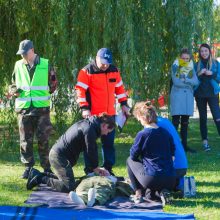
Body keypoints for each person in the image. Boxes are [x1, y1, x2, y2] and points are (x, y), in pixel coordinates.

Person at [75, 48, 130, 175]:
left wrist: (124, 104)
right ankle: (90, 170)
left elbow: (120, 89)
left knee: (109, 144)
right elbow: (80, 91)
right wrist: (84, 108)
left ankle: (108, 168)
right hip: (93, 116)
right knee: (90, 144)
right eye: (103, 62)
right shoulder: (86, 71)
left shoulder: (114, 70)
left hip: (109, 114)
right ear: (96, 58)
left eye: (108, 62)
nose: (105, 65)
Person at [26, 115, 115, 193]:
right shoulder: (90, 130)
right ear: (104, 125)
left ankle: (37, 174)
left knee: (67, 180)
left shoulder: (90, 125)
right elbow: (90, 150)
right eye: (108, 131)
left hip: (58, 155)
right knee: (69, 186)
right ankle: (39, 178)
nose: (107, 134)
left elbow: (92, 149)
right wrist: (95, 168)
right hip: (58, 156)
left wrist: (95, 167)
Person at [8, 40, 57, 179]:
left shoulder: (46, 64)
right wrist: (13, 90)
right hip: (23, 109)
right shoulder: (18, 65)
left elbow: (53, 84)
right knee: (25, 140)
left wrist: (44, 92)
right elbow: (12, 83)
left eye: (25, 53)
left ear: (32, 50)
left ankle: (46, 168)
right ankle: (28, 168)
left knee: (44, 139)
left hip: (41, 109)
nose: (23, 55)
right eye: (21, 53)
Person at [127, 102, 176, 206]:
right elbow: (173, 153)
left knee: (129, 160)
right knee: (149, 195)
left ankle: (138, 193)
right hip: (170, 178)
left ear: (141, 117)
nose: (139, 120)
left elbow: (133, 156)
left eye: (138, 118)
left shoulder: (142, 134)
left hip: (152, 178)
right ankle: (162, 193)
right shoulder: (165, 132)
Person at [170, 48, 199, 153]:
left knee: (185, 123)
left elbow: (196, 81)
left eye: (187, 58)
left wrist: (187, 80)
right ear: (179, 57)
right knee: (175, 122)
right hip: (177, 97)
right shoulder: (175, 66)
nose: (185, 60)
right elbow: (176, 82)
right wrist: (189, 84)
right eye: (183, 58)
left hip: (187, 99)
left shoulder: (191, 68)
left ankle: (184, 146)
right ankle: (171, 146)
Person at [194, 43, 220, 151]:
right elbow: (193, 81)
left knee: (217, 117)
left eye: (206, 51)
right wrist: (199, 74)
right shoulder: (196, 65)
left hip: (212, 94)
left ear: (209, 51)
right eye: (202, 51)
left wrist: (212, 74)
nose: (204, 53)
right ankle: (205, 143)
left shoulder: (215, 63)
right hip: (200, 95)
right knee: (203, 118)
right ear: (200, 53)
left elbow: (219, 78)